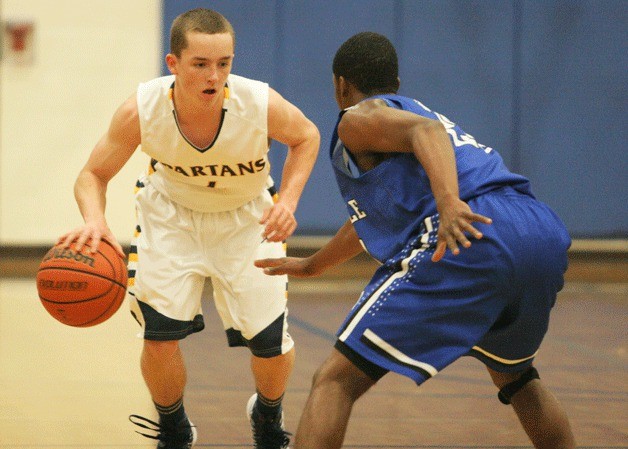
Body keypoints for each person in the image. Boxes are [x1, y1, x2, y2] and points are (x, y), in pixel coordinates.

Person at [255, 32, 576, 449]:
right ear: (397, 84)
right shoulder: (412, 113)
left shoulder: (359, 117)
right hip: (538, 230)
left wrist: (448, 203)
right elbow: (370, 221)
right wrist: (313, 265)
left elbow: (426, 134)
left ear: (340, 84)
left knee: (335, 379)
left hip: (475, 229)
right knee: (516, 376)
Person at [58, 8, 319, 449]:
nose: (214, 76)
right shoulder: (141, 109)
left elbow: (307, 136)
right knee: (159, 337)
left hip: (247, 219)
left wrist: (288, 201)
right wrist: (95, 220)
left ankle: (267, 414)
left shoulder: (258, 102)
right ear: (173, 64)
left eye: (224, 63)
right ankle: (174, 427)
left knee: (271, 343)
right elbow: (92, 175)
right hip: (171, 218)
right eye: (200, 64)